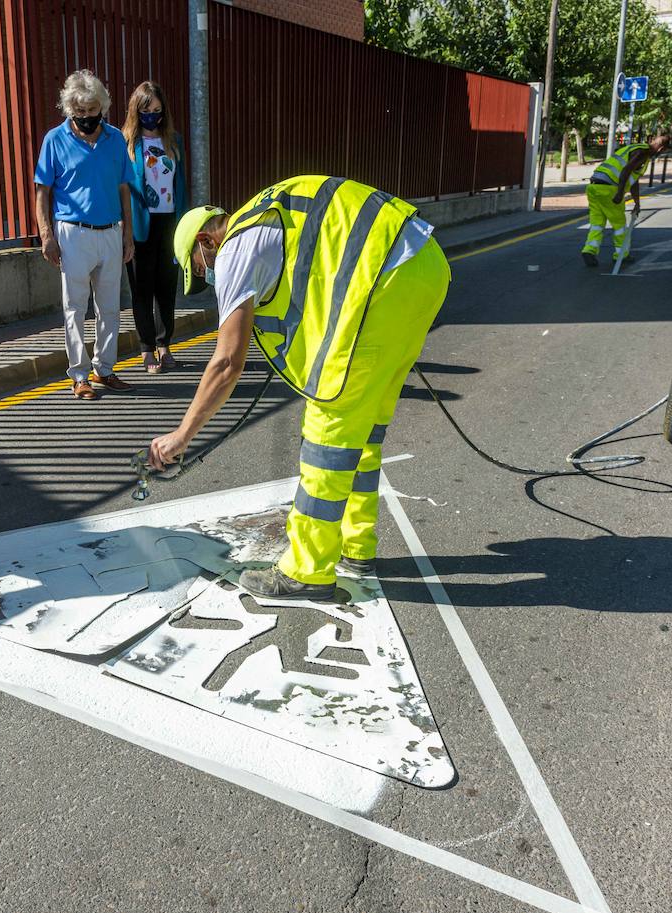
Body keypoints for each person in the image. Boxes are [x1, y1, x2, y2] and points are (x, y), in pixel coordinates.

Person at [150, 177, 449, 600]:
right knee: (361, 429)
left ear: (206, 241)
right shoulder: (267, 217)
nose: (210, 278)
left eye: (201, 270)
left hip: (384, 279)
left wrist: (182, 436)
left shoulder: (234, 248)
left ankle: (307, 571)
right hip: (423, 265)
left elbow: (226, 363)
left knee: (328, 428)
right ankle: (356, 545)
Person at [34, 70, 135, 400]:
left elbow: (124, 188)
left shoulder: (115, 139)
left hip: (110, 231)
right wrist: (46, 235)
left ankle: (104, 369)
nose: (88, 118)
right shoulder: (54, 140)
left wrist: (128, 234)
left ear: (102, 107)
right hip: (73, 232)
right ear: (70, 109)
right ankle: (79, 376)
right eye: (81, 113)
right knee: (74, 307)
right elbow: (42, 192)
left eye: (94, 111)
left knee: (110, 307)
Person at [122, 81, 187, 374]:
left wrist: (185, 224)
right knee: (141, 289)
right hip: (139, 225)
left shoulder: (173, 141)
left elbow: (181, 185)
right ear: (137, 111)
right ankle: (147, 349)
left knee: (166, 288)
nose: (153, 116)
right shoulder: (127, 143)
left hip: (169, 223)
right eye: (147, 110)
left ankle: (165, 346)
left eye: (158, 110)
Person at [581, 133, 671, 267]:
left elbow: (633, 181)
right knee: (619, 225)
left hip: (594, 187)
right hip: (610, 189)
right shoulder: (643, 152)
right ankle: (621, 255)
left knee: (597, 223)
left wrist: (637, 202)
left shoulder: (634, 148)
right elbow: (626, 171)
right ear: (661, 149)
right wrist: (619, 193)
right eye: (664, 151)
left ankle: (589, 250)